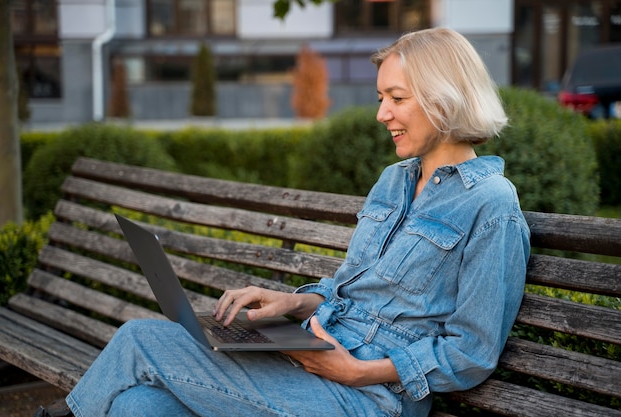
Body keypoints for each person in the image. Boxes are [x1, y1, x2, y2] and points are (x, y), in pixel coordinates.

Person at [35, 27, 530, 417]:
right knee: (136, 407)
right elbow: (356, 289)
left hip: (371, 398)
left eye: (396, 98)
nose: (381, 114)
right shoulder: (393, 181)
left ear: (445, 98)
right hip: (312, 360)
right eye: (381, 98)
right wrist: (293, 302)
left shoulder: (490, 205)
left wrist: (357, 372)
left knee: (140, 339)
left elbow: (472, 351)